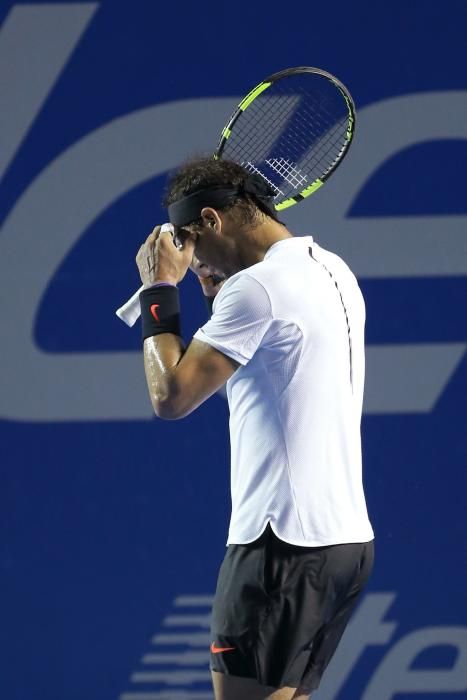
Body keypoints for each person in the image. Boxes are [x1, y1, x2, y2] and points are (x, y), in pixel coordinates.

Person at [135, 158, 374, 700]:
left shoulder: (259, 291)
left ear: (213, 222)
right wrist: (211, 284)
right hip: (344, 545)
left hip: (278, 544)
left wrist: (161, 288)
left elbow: (170, 396)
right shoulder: (332, 269)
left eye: (192, 244)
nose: (191, 259)